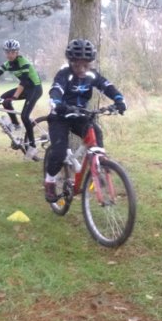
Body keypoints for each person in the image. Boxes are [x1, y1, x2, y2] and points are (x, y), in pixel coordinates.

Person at [43, 38, 127, 202]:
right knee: (59, 152)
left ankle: (99, 167)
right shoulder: (64, 74)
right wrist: (56, 103)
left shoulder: (92, 75)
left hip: (80, 116)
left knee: (96, 133)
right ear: (70, 62)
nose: (81, 69)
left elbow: (107, 87)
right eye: (77, 65)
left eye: (85, 65)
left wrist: (119, 100)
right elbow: (56, 89)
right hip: (60, 116)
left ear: (90, 63)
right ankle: (50, 181)